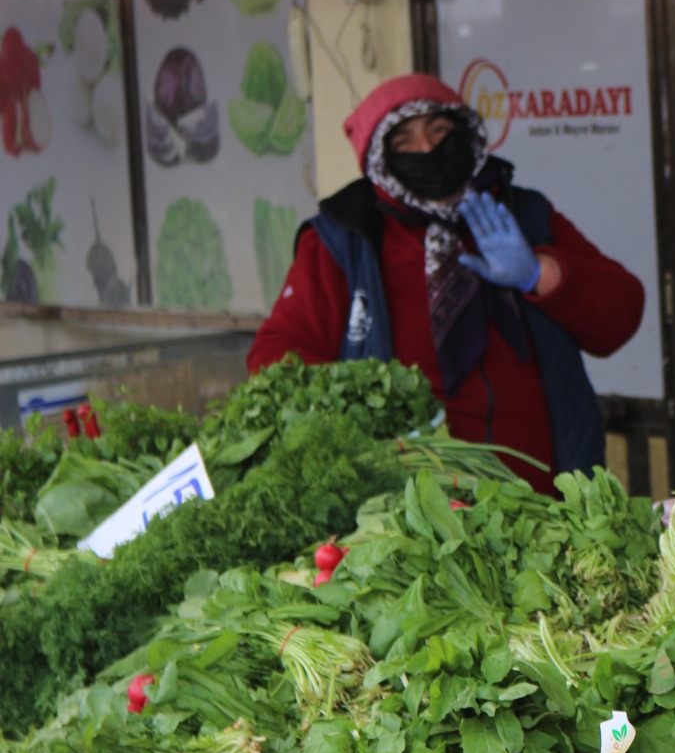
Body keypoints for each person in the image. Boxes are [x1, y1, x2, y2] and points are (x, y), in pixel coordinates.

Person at [248, 73, 645, 492]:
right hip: (414, 508)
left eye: (440, 131)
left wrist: (540, 273)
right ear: (379, 158)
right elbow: (275, 355)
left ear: (466, 134)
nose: (428, 149)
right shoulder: (346, 239)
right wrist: (364, 411)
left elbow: (622, 316)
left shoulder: (522, 214)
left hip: (545, 495)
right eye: (404, 141)